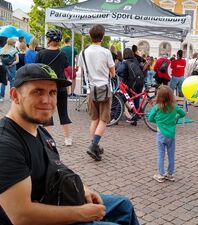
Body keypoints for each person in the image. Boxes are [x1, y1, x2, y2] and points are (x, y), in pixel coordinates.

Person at [0, 63, 140, 225]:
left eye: (52, 92)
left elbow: (55, 167)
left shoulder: (39, 131)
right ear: (15, 95)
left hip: (57, 197)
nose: (47, 100)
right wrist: (82, 213)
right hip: (37, 217)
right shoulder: (6, 144)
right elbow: (21, 216)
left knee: (123, 206)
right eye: (37, 92)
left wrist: (83, 188)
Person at [77, 24, 115, 161]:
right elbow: (113, 72)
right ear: (102, 36)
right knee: (103, 120)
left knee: (94, 119)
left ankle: (95, 146)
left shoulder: (83, 52)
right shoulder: (106, 52)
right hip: (104, 89)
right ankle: (93, 146)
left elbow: (81, 69)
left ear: (90, 36)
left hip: (90, 90)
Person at [35, 29, 73, 147]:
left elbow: (36, 68)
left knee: (47, 113)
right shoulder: (62, 54)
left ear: (49, 40)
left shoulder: (41, 53)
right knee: (64, 113)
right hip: (60, 87)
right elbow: (66, 66)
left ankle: (48, 140)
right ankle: (68, 139)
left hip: (47, 89)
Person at [148, 85, 185, 183]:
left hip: (160, 134)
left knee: (161, 155)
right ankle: (170, 174)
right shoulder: (174, 107)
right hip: (171, 135)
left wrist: (158, 121)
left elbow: (150, 118)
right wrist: (176, 116)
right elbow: (183, 114)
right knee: (171, 155)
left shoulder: (157, 107)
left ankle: (160, 174)